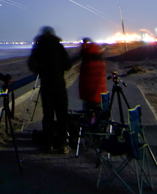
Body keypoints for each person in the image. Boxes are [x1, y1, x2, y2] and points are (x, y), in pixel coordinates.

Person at [27, 25, 72, 153]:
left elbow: (32, 64)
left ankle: (48, 144)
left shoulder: (38, 47)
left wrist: (41, 71)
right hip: (59, 84)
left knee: (48, 115)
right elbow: (67, 64)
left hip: (46, 85)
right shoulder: (58, 46)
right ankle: (63, 144)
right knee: (62, 114)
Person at [78, 38, 107, 113]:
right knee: (97, 112)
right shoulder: (98, 57)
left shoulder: (88, 59)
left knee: (90, 113)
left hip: (90, 93)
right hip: (98, 93)